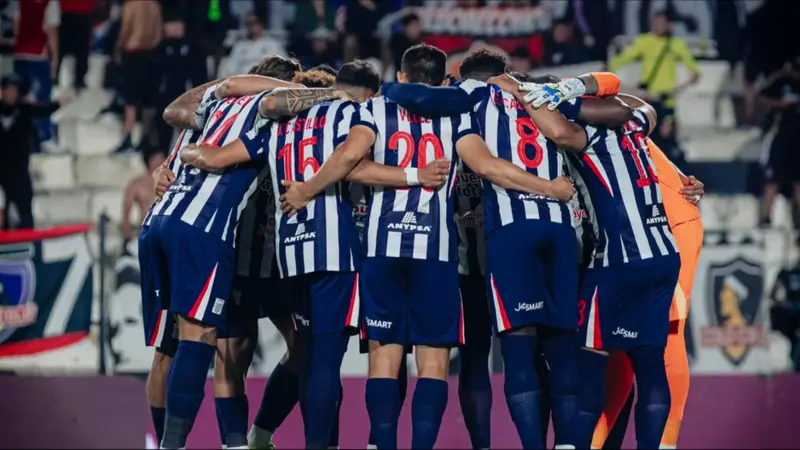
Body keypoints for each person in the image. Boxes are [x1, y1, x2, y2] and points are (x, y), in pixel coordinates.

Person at [283, 44, 572, 449]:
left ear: (402, 77)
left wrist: (306, 190)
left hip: (382, 249)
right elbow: (489, 167)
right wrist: (549, 188)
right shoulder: (458, 115)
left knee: (384, 359)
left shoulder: (376, 108)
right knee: (433, 364)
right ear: (444, 80)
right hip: (436, 253)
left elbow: (349, 159)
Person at [179, 59, 450, 448]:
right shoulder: (353, 113)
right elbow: (353, 163)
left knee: (308, 354)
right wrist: (416, 175)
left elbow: (219, 155)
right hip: (338, 249)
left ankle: (283, 438)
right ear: (368, 93)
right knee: (343, 356)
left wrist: (178, 160)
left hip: (290, 251)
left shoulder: (278, 123)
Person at [380, 51, 620, 449]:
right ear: (505, 73)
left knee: (505, 352)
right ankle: (567, 444)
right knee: (560, 347)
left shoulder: (471, 94)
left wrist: (389, 85)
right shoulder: (539, 94)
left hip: (503, 239)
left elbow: (419, 97)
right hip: (561, 230)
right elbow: (612, 103)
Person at [516, 79, 681, 449]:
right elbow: (643, 106)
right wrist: (585, 87)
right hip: (664, 254)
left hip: (621, 258)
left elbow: (558, 131)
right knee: (650, 362)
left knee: (590, 364)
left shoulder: (592, 137)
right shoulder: (636, 124)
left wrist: (528, 91)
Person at [609, 10, 700, 122]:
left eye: (661, 23)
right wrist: (610, 66)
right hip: (647, 96)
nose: (658, 26)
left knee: (667, 128)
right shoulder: (644, 41)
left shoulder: (676, 44)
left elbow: (689, 61)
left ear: (668, 25)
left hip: (667, 97)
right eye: (655, 23)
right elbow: (626, 56)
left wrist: (695, 73)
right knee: (647, 127)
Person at [0, 73, 62, 230]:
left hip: (20, 170)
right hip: (1, 170)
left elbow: (42, 110)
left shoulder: (24, 109)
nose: (11, 94)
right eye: (8, 90)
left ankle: (29, 240)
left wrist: (59, 103)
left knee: (25, 208)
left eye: (14, 90)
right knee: (3, 210)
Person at [152, 13, 209, 151]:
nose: (172, 28)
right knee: (164, 133)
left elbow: (200, 74)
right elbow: (155, 74)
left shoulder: (193, 47)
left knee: (186, 133)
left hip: (187, 95)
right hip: (166, 96)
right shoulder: (161, 48)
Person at [10, 0, 60, 152]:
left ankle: (17, 134)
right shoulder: (50, 3)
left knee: (19, 97)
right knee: (43, 98)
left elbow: (16, 27)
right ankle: (45, 136)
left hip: (21, 54)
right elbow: (52, 32)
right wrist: (55, 58)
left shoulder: (19, 2)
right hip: (39, 55)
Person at [113, 0, 162, 154]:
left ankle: (128, 136)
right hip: (151, 54)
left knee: (130, 99)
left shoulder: (131, 5)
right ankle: (145, 137)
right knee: (148, 100)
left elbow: (126, 29)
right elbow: (158, 33)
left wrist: (118, 48)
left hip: (132, 53)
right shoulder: (155, 6)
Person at [758, 56, 800, 231]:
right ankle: (766, 219)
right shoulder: (781, 81)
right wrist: (779, 104)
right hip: (780, 137)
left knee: (798, 182)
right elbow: (761, 96)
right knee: (772, 180)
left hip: (798, 140)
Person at [221, 13, 287, 78]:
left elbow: (284, 66)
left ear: (261, 24)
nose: (252, 26)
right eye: (248, 23)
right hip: (243, 80)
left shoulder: (273, 44)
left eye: (254, 22)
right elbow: (230, 69)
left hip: (266, 80)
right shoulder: (240, 46)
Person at [122, 150, 167, 241]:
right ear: (150, 161)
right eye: (156, 159)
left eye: (162, 160)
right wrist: (127, 235)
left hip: (166, 230)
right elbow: (126, 210)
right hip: (146, 229)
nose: (160, 163)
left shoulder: (172, 182)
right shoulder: (137, 184)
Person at [57, 0, 95, 94]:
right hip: (82, 11)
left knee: (61, 46)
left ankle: (55, 74)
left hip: (66, 10)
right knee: (82, 48)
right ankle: (79, 79)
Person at [770, 254, 800, 372]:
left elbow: (773, 295)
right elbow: (773, 295)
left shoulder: (786, 273)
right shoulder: (786, 272)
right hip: (791, 314)